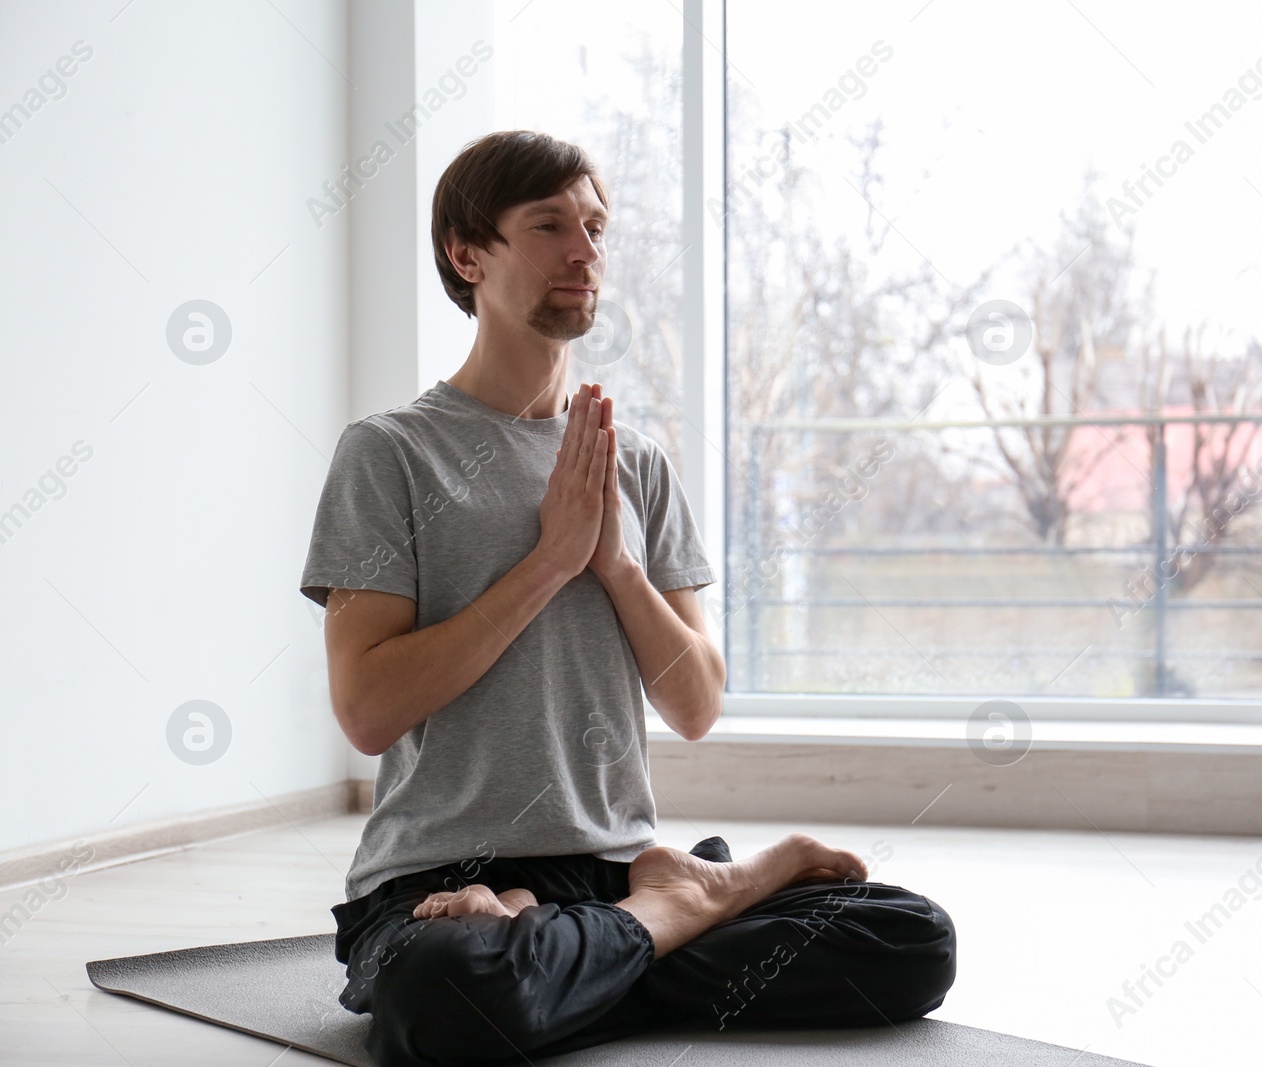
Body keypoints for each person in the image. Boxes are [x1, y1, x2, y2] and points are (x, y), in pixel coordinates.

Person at [297, 129, 957, 1066]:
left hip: (610, 870)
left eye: (597, 228)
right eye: (550, 225)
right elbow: (366, 711)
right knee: (446, 990)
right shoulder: (390, 453)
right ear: (466, 253)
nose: (586, 252)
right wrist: (548, 564)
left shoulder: (633, 461)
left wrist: (616, 566)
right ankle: (673, 915)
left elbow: (695, 704)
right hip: (443, 878)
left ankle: (603, 938)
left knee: (910, 938)